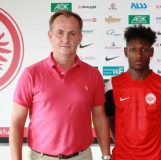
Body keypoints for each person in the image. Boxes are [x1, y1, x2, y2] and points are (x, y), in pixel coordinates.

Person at [9, 10, 111, 160]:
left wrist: (106, 155)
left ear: (80, 38)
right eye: (60, 32)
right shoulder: (31, 74)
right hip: (40, 157)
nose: (65, 39)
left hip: (82, 157)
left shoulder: (93, 75)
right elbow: (16, 122)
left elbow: (99, 117)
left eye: (72, 33)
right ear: (50, 36)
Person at [104, 25, 161, 160]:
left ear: (152, 52)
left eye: (144, 49)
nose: (138, 55)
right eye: (133, 50)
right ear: (126, 52)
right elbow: (110, 121)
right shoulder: (112, 85)